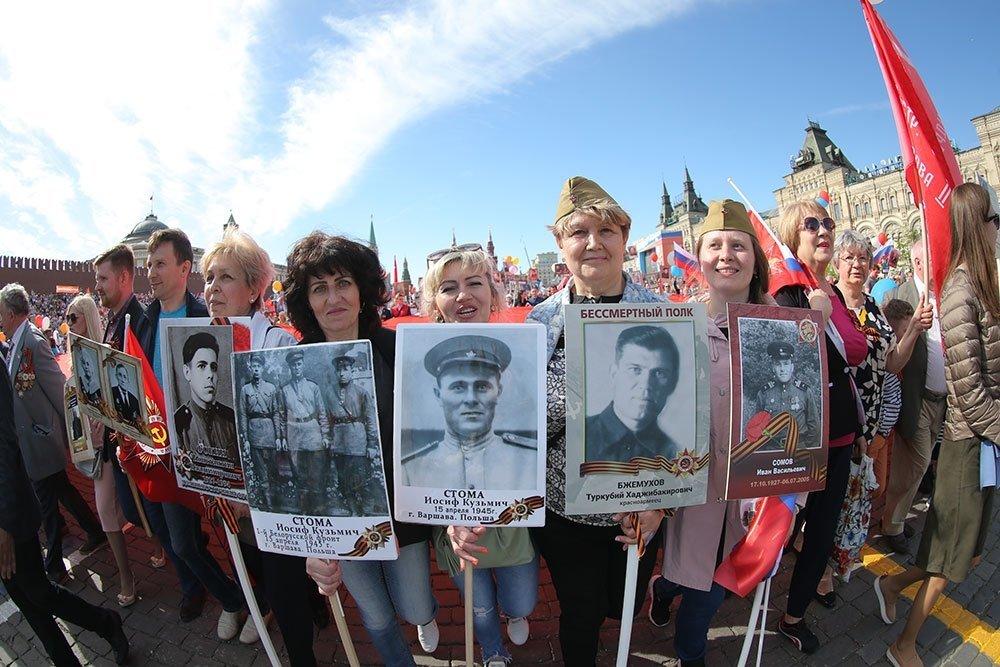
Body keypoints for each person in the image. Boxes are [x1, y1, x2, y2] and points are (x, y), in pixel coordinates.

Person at [526, 176, 666, 664]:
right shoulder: (540, 323)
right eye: (579, 232)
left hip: (636, 504)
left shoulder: (664, 315)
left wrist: (661, 506)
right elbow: (525, 423)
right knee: (581, 613)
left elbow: (684, 418)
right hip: (566, 511)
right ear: (560, 242)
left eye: (606, 230)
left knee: (622, 603)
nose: (593, 243)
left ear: (624, 239)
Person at [649, 199, 790, 666]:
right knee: (690, 581)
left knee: (712, 591)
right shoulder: (677, 328)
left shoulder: (783, 331)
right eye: (715, 245)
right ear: (700, 259)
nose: (726, 254)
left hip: (750, 497)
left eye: (738, 245)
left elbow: (800, 415)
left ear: (755, 260)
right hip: (693, 495)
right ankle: (671, 610)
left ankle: (680, 628)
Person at [294, 232, 439, 667]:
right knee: (375, 614)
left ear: (362, 292)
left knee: (415, 605)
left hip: (403, 508)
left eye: (343, 283)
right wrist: (309, 540)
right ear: (307, 301)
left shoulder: (397, 350)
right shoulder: (293, 364)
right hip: (339, 515)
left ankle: (425, 617)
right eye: (319, 288)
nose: (333, 297)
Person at [873, 182, 1000, 667]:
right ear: (977, 225)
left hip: (984, 442)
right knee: (952, 557)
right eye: (994, 221)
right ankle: (903, 644)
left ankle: (891, 584)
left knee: (964, 552)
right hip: (971, 441)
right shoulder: (961, 290)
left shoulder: (979, 285)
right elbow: (970, 391)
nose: (998, 229)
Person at [200, 229, 324, 662]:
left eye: (225, 277)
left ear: (254, 289)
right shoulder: (200, 343)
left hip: (274, 495)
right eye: (209, 278)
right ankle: (307, 604)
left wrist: (252, 493)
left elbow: (289, 428)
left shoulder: (277, 344)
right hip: (228, 491)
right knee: (257, 569)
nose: (213, 288)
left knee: (284, 588)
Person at [420, 246, 538, 666]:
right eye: (448, 287)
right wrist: (447, 515)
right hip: (453, 518)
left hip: (512, 515)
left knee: (521, 600)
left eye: (474, 283)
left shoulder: (525, 356)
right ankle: (491, 648)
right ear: (435, 302)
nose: (463, 295)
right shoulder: (412, 359)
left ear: (493, 293)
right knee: (480, 604)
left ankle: (515, 614)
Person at [136, 228, 246, 637]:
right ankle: (225, 596)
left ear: (185, 269)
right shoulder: (143, 320)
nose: (151, 272)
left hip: (209, 446)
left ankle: (249, 600)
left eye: (160, 264)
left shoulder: (207, 318)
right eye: (149, 264)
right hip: (161, 448)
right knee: (176, 538)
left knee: (223, 534)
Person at [771, 200, 868, 653]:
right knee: (775, 531)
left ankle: (793, 616)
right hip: (803, 437)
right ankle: (681, 585)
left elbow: (851, 358)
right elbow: (782, 366)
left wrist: (859, 430)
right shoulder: (785, 293)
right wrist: (817, 318)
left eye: (827, 222)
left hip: (842, 431)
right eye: (811, 224)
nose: (823, 230)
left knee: (822, 532)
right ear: (793, 237)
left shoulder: (831, 290)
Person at [819, 230, 931, 600]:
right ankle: (821, 571)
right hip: (841, 420)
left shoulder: (872, 306)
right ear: (837, 263)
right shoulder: (828, 302)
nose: (857, 264)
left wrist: (913, 330)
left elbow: (892, 363)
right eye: (849, 258)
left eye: (863, 258)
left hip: (873, 420)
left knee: (858, 496)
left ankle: (835, 559)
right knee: (833, 500)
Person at [0, 360, 130, 666]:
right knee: (26, 601)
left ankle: (106, 622)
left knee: (38, 592)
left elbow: (4, 448)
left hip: (10, 514)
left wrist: (4, 524)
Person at [0, 283, 105, 583]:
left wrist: (72, 433)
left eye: (1, 313)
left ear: (10, 313)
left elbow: (59, 389)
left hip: (41, 437)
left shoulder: (33, 342)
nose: (0, 320)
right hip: (30, 437)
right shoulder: (17, 342)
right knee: (60, 490)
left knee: (46, 499)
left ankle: (55, 564)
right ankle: (93, 530)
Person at [93, 243, 182, 589]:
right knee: (136, 512)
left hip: (144, 442)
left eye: (103, 278)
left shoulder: (140, 320)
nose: (97, 286)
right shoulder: (114, 320)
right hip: (122, 439)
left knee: (154, 515)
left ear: (123, 278)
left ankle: (184, 570)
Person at [64, 296, 137, 607]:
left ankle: (158, 546)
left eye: (75, 317)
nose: (69, 323)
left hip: (117, 443)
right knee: (106, 507)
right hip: (96, 450)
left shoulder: (106, 354)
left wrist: (106, 422)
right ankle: (126, 575)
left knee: (136, 503)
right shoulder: (73, 359)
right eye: (67, 317)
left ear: (89, 318)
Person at [878, 237, 947, 554]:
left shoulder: (944, 295)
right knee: (916, 465)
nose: (938, 264)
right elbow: (888, 351)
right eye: (933, 258)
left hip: (940, 400)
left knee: (917, 467)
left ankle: (895, 518)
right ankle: (891, 525)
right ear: (918, 263)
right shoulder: (898, 296)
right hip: (914, 401)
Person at [401, 334, 537, 491]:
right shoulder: (411, 468)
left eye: (482, 387)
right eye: (458, 387)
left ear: (498, 392)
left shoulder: (531, 460)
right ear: (438, 395)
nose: (471, 399)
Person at [584, 325, 681, 464]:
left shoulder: (676, 455)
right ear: (614, 374)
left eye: (659, 373)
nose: (646, 384)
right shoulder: (577, 435)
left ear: (673, 383)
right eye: (635, 369)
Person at [328, 352, 388, 516]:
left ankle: (367, 513)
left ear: (352, 371)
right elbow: (328, 418)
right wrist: (330, 440)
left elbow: (370, 420)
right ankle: (353, 511)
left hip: (357, 443)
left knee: (362, 481)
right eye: (339, 370)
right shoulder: (330, 393)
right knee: (343, 482)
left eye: (345, 369)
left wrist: (372, 444)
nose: (342, 373)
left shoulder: (362, 393)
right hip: (339, 444)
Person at [279, 349, 331, 515]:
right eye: (293, 365)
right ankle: (304, 509)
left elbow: (322, 412)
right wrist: (283, 437)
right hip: (294, 433)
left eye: (299, 364)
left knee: (316, 474)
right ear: (290, 367)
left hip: (312, 431)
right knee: (299, 474)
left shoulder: (313, 387)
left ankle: (319, 509)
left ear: (303, 365)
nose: (296, 367)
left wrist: (325, 435)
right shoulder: (285, 390)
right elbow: (282, 415)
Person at [173, 332, 238, 462]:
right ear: (187, 372)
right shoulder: (179, 422)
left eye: (213, 367)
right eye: (202, 366)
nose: (210, 375)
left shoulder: (230, 418)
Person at [752, 340, 819, 451]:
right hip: (772, 450)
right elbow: (758, 428)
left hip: (799, 449)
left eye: (786, 364)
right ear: (773, 367)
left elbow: (814, 427)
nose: (782, 369)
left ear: (792, 367)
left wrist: (807, 450)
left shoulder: (804, 391)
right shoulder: (764, 393)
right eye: (778, 364)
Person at [111, 363, 142, 428]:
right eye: (120, 375)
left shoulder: (134, 400)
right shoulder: (111, 392)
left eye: (125, 377)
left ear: (128, 380)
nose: (122, 380)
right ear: (116, 376)